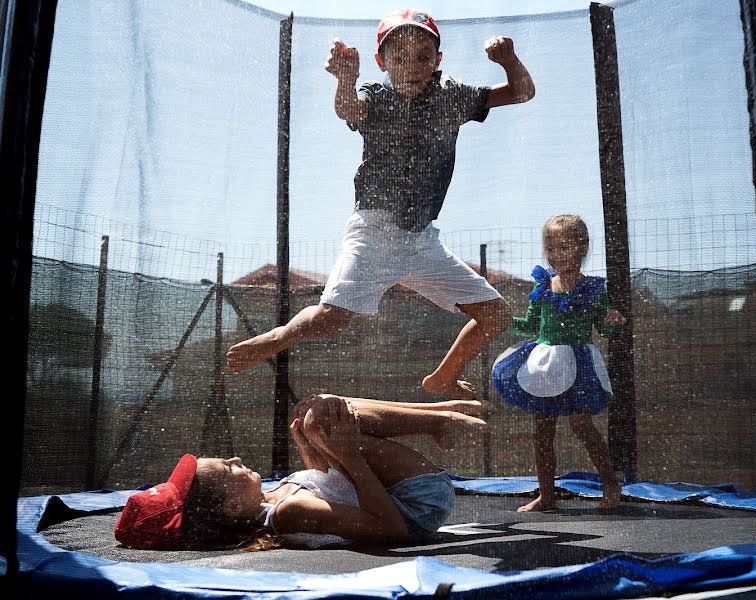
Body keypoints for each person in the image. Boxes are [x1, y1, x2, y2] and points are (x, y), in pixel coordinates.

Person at [226, 9, 535, 401]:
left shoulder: (453, 97)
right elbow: (349, 110)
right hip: (374, 231)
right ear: (382, 63)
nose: (412, 67)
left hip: (422, 240)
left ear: (438, 60)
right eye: (399, 58)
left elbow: (522, 92)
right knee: (331, 319)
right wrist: (345, 80)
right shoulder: (377, 96)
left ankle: (442, 378)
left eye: (423, 56)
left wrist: (509, 61)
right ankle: (278, 336)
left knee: (497, 315)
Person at [114, 394, 486, 550]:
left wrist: (312, 447)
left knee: (318, 410)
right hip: (417, 505)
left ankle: (437, 414)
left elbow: (331, 486)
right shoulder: (288, 513)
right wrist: (348, 455)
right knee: (322, 415)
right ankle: (438, 418)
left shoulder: (273, 501)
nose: (237, 460)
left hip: (399, 496)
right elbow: (390, 529)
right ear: (228, 509)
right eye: (229, 470)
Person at [491, 215, 627, 513]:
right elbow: (529, 325)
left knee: (581, 424)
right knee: (542, 428)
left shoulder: (593, 289)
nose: (556, 255)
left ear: (582, 248)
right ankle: (547, 494)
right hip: (545, 363)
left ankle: (611, 484)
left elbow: (604, 329)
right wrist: (503, 321)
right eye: (550, 249)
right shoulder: (542, 287)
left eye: (563, 247)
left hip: (578, 364)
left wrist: (613, 322)